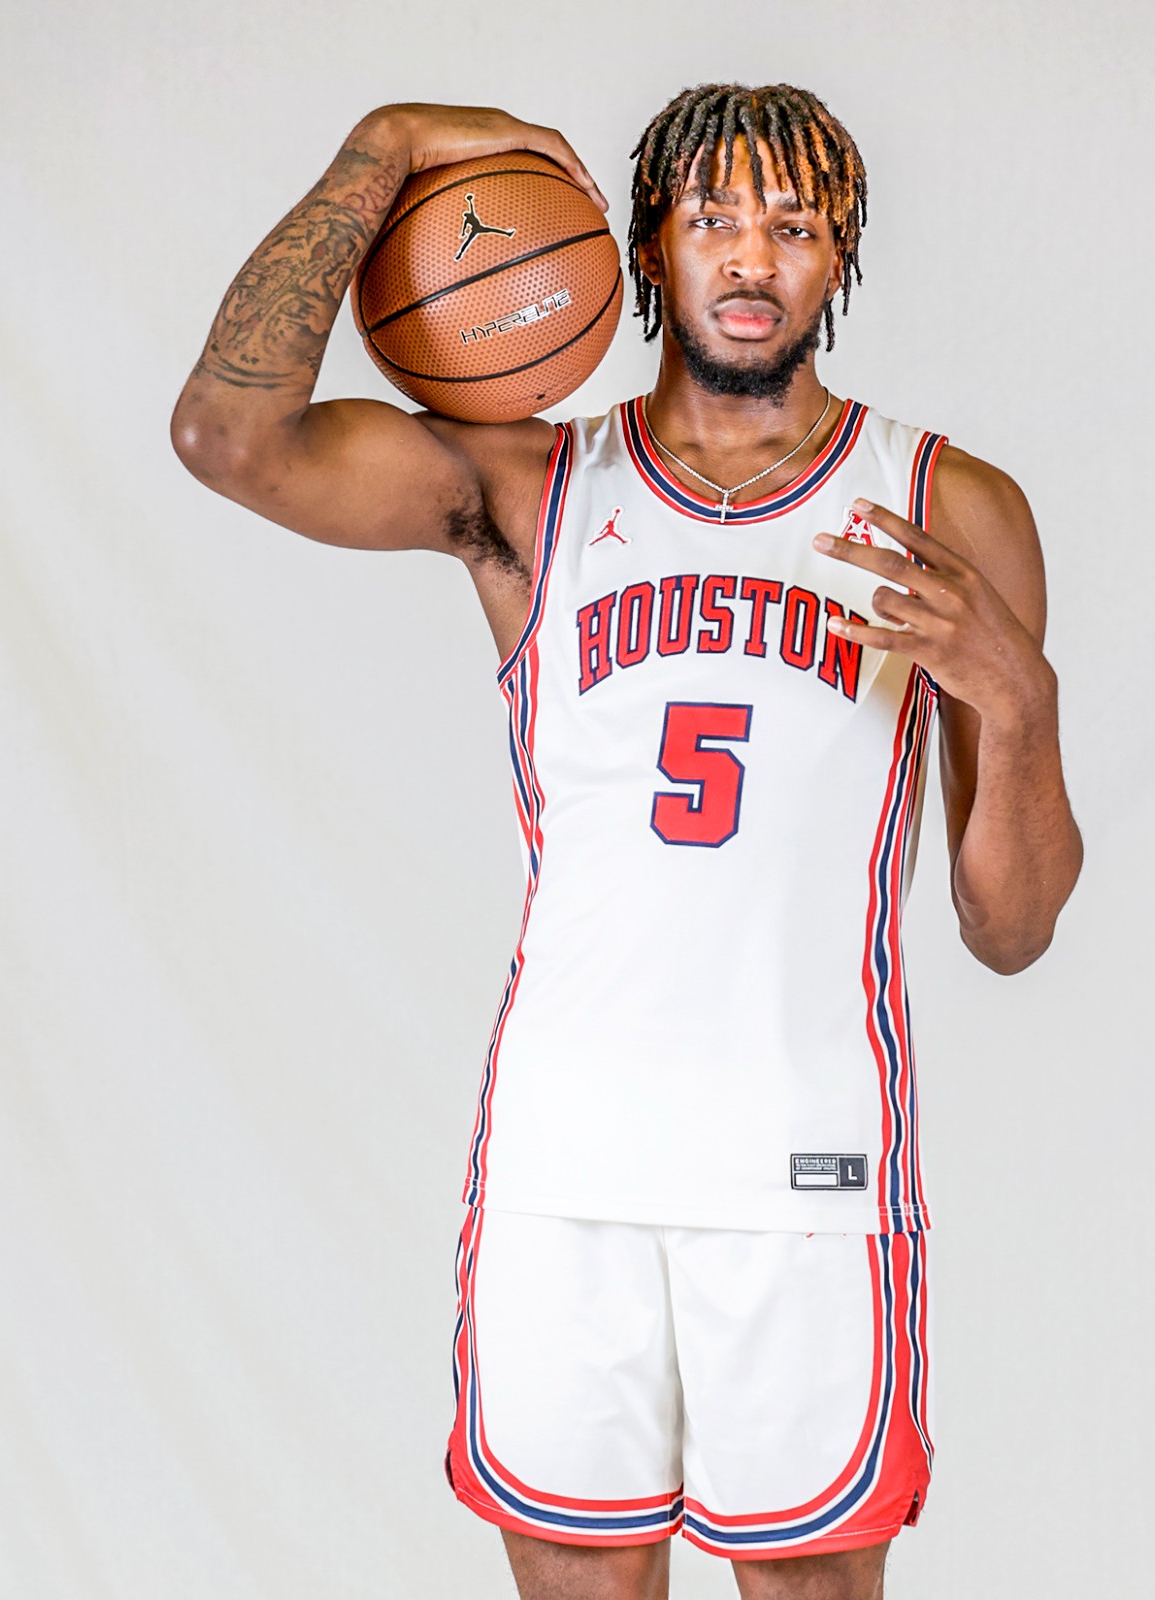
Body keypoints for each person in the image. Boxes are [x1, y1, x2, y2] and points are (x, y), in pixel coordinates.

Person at [172, 82, 1083, 1600]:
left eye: (794, 223)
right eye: (712, 216)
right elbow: (227, 434)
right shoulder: (531, 486)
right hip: (565, 1160)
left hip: (806, 1169)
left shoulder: (948, 506)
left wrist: (1021, 696)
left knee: (805, 1586)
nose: (752, 256)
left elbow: (1012, 929)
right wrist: (385, 149)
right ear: (646, 243)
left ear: (843, 249)